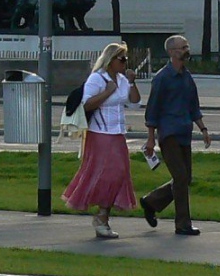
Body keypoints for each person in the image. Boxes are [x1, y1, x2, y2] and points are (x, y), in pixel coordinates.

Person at [61, 43, 141, 238]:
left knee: (120, 173)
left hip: (118, 133)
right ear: (110, 60)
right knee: (105, 173)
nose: (124, 63)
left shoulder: (122, 79)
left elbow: (136, 103)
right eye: (121, 59)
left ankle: (103, 215)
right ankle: (102, 217)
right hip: (100, 133)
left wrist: (131, 83)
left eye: (125, 59)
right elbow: (86, 105)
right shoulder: (97, 78)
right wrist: (107, 91)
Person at [141, 34, 211, 236]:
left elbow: (193, 107)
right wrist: (151, 138)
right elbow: (152, 111)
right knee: (180, 177)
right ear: (172, 52)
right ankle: (183, 224)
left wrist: (203, 129)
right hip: (168, 134)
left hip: (184, 132)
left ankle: (151, 202)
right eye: (182, 47)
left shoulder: (187, 77)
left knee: (185, 178)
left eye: (187, 46)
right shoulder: (162, 78)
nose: (186, 50)